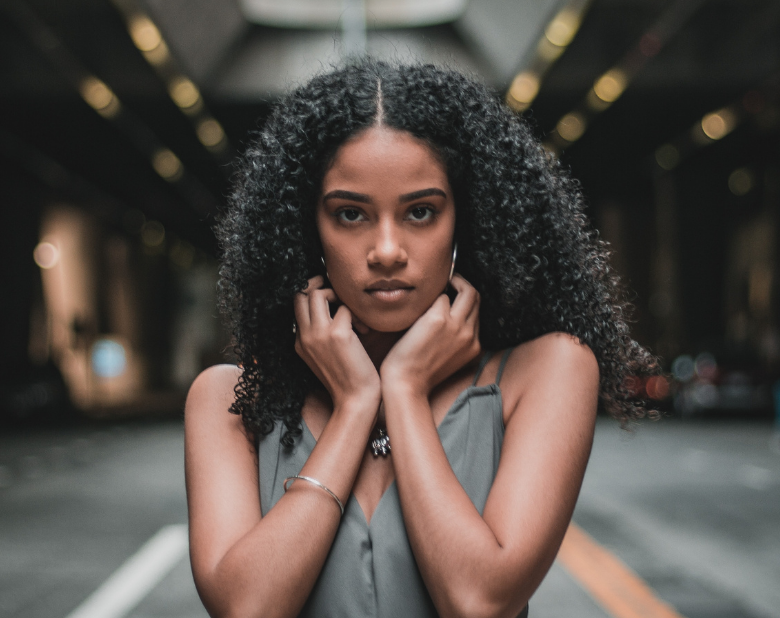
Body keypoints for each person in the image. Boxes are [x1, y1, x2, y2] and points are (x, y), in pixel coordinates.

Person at [184, 61, 658, 618]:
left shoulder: (549, 371)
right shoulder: (228, 401)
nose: (387, 249)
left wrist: (404, 388)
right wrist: (357, 402)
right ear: (306, 228)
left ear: (467, 221)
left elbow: (479, 601)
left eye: (421, 211)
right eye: (351, 214)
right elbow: (247, 608)